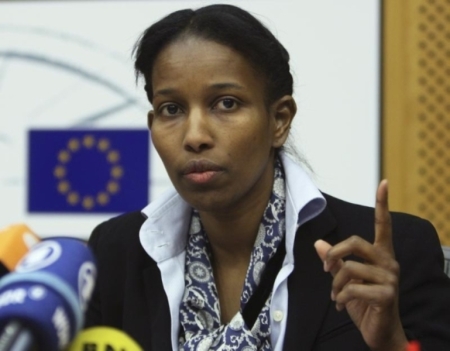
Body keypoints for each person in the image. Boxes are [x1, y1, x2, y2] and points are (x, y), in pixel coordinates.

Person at [84, 4, 450, 351]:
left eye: (225, 103)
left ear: (279, 120)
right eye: (172, 109)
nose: (194, 135)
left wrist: (393, 345)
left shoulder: (391, 253)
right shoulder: (115, 253)